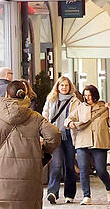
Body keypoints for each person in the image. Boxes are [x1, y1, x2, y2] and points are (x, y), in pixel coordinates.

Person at [0, 80, 60, 209]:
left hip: (0, 180)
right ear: (24, 95)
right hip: (29, 176)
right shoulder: (35, 117)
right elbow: (54, 134)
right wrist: (44, 151)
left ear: (7, 95)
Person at [68, 85, 110, 204]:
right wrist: (70, 123)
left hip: (99, 143)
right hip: (82, 142)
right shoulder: (80, 108)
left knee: (100, 170)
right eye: (85, 96)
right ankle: (87, 196)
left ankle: (109, 187)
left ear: (95, 95)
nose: (87, 98)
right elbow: (68, 118)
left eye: (89, 95)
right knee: (83, 169)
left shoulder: (103, 107)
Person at [42, 76, 83, 204]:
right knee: (57, 164)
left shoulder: (75, 101)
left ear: (70, 87)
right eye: (61, 85)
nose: (64, 87)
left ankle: (69, 194)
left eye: (66, 85)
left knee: (69, 165)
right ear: (57, 87)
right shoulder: (51, 100)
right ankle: (52, 192)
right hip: (55, 137)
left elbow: (78, 117)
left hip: (69, 136)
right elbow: (45, 116)